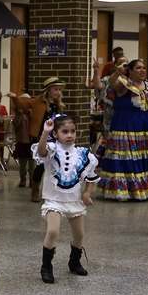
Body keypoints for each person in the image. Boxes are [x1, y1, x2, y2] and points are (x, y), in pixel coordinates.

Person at [33, 114, 99, 283]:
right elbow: (41, 152)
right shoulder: (52, 150)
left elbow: (90, 176)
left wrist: (86, 193)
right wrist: (44, 133)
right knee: (53, 231)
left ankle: (74, 261)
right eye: (65, 131)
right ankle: (46, 266)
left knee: (79, 235)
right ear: (56, 134)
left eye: (72, 131)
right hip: (53, 200)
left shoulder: (83, 154)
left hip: (73, 200)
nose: (70, 135)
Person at [96, 59, 148, 201]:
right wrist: (117, 72)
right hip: (125, 125)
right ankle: (123, 190)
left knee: (143, 155)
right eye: (138, 68)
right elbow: (112, 83)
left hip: (144, 126)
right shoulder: (124, 83)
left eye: (144, 68)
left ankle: (146, 188)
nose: (142, 70)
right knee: (124, 155)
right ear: (130, 71)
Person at [10, 77, 65, 203]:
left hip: (54, 138)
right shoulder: (37, 102)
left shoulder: (58, 105)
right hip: (40, 138)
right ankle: (35, 190)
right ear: (48, 91)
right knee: (40, 166)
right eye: (55, 89)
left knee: (56, 164)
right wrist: (14, 97)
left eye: (59, 90)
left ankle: (56, 190)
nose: (58, 92)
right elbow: (22, 105)